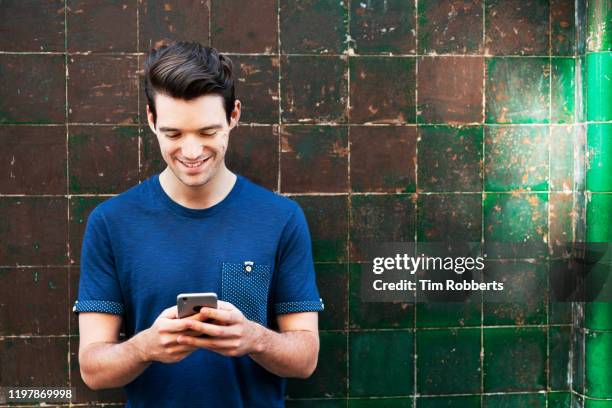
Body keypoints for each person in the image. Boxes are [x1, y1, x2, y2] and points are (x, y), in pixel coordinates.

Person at [73, 41, 324, 408]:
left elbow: (306, 359)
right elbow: (92, 370)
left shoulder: (281, 218)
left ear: (233, 116)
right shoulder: (111, 223)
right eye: (173, 134)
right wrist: (145, 347)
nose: (191, 152)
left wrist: (255, 339)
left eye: (207, 132)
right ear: (151, 120)